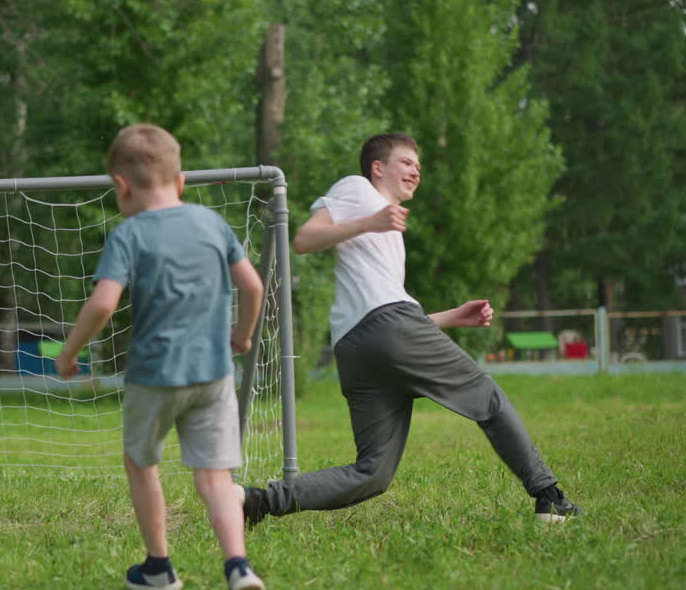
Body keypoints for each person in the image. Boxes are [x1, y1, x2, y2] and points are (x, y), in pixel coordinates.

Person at [240, 132, 584, 526]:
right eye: (406, 162)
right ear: (377, 168)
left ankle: (257, 501)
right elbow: (303, 239)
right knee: (487, 399)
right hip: (385, 330)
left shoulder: (389, 231)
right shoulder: (359, 190)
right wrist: (371, 221)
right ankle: (549, 497)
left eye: (418, 166)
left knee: (373, 473)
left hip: (359, 347)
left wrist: (451, 317)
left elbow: (382, 309)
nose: (415, 171)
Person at [56, 123, 268, 590]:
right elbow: (252, 286)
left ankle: (159, 567)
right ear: (181, 181)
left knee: (141, 461)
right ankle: (238, 566)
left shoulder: (128, 234)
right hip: (215, 374)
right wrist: (242, 334)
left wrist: (69, 353)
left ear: (121, 186)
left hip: (154, 376)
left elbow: (104, 304)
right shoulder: (212, 223)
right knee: (216, 478)